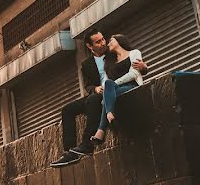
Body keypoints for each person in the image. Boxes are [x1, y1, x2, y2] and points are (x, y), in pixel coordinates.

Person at [50, 28, 147, 168]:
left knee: (93, 101)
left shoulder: (112, 53)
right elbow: (87, 86)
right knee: (67, 109)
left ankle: (87, 144)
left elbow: (131, 61)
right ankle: (69, 152)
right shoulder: (86, 65)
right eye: (98, 42)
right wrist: (95, 88)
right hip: (97, 92)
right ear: (90, 46)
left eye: (103, 39)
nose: (103, 43)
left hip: (112, 90)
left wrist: (144, 67)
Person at [90, 34, 143, 144]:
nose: (108, 44)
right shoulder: (110, 62)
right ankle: (109, 115)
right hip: (116, 91)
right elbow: (106, 83)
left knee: (109, 88)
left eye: (111, 41)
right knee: (108, 85)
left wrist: (114, 85)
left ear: (119, 41)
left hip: (132, 87)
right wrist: (109, 89)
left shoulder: (134, 53)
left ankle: (101, 129)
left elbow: (134, 73)